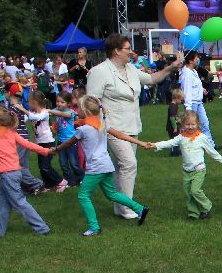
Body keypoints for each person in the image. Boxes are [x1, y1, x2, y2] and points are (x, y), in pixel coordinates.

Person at [85, 34, 182, 219]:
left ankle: (118, 205)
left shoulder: (130, 68)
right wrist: (98, 126)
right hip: (112, 128)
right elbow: (91, 102)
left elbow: (152, 79)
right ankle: (127, 207)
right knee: (129, 164)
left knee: (122, 167)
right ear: (116, 51)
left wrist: (170, 67)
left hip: (132, 126)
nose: (131, 52)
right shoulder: (100, 71)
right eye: (127, 48)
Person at [50, 95, 151, 236]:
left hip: (96, 167)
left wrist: (56, 149)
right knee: (111, 194)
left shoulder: (83, 130)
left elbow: (69, 142)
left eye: (78, 108)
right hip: (106, 165)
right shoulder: (102, 124)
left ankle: (94, 227)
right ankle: (140, 209)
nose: (76, 110)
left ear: (85, 111)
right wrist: (140, 143)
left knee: (83, 195)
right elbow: (121, 135)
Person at [0, 104, 53, 235]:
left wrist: (47, 151)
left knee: (19, 202)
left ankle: (42, 228)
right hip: (15, 173)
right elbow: (28, 144)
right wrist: (46, 151)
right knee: (3, 202)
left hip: (8, 176)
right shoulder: (12, 133)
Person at [149, 110, 222, 220]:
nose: (190, 127)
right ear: (183, 124)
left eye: (193, 124)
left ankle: (206, 207)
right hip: (186, 171)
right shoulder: (181, 137)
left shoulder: (202, 137)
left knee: (195, 191)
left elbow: (211, 151)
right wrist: (155, 145)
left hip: (199, 170)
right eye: (187, 124)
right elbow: (169, 143)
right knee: (188, 194)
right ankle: (193, 213)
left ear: (198, 124)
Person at [180, 51, 215, 148]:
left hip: (198, 102)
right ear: (191, 61)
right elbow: (187, 90)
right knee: (189, 125)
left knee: (204, 123)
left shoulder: (194, 71)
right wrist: (188, 108)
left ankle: (210, 145)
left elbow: (195, 85)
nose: (198, 60)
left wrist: (201, 90)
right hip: (192, 103)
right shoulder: (186, 73)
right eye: (196, 58)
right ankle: (183, 143)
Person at [47, 93, 83, 186]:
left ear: (68, 104)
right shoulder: (55, 110)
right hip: (60, 141)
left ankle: (81, 177)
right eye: (57, 101)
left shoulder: (70, 113)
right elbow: (51, 115)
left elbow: (62, 114)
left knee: (73, 162)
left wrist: (50, 111)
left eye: (62, 102)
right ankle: (69, 180)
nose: (59, 104)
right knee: (63, 163)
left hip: (71, 141)